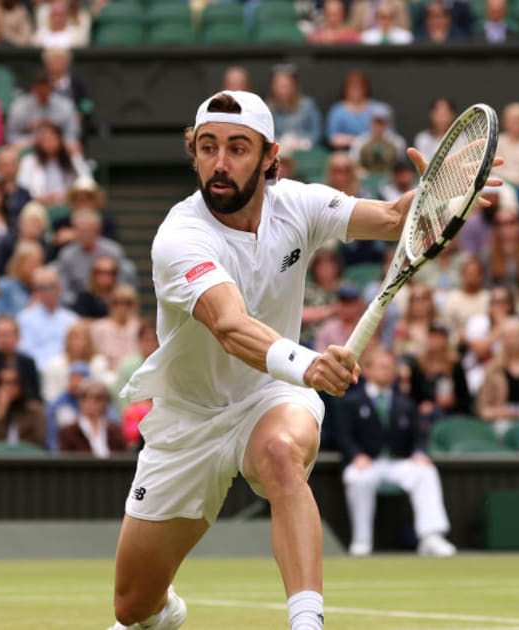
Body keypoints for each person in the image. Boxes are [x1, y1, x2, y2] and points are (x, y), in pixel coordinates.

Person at [108, 89, 498, 630]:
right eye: (208, 147)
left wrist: (439, 194)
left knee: (279, 453)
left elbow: (391, 218)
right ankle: (165, 611)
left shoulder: (298, 204)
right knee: (132, 607)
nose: (220, 164)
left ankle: (307, 622)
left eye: (238, 148)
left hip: (272, 393)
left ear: (271, 157)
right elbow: (229, 324)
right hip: (189, 417)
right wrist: (309, 364)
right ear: (193, 152)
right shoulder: (179, 236)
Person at [335, 349, 456, 557]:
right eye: (382, 367)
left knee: (426, 472)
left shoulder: (405, 404)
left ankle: (431, 537)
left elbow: (419, 436)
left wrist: (419, 452)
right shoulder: (350, 402)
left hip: (397, 464)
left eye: (391, 368)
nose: (388, 372)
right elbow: (343, 436)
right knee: (358, 478)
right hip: (366, 463)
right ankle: (361, 540)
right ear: (368, 371)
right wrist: (356, 455)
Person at [0, 366, 46, 448]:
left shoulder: (35, 411)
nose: (8, 388)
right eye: (2, 383)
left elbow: (39, 442)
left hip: (28, 458)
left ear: (21, 386)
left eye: (13, 383)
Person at [58, 378, 126, 457]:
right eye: (85, 396)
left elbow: (122, 456)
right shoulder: (68, 432)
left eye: (98, 398)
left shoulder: (115, 431)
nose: (91, 402)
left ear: (106, 402)